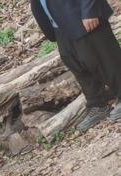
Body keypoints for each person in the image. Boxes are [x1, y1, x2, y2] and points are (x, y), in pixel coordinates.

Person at [31, 0, 121, 130]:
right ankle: (97, 104)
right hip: (59, 22)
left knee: (105, 58)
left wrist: (89, 11)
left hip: (83, 14)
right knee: (76, 62)